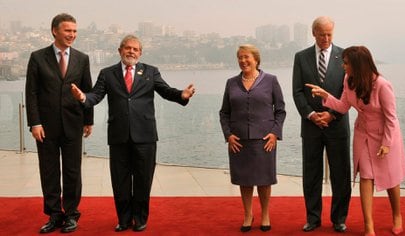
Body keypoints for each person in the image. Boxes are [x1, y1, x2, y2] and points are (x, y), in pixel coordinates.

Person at [70, 34, 195, 232]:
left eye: (135, 49)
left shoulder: (150, 72)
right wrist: (83, 97)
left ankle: (140, 218)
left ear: (141, 53)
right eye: (127, 48)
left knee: (143, 180)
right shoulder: (107, 73)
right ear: (120, 50)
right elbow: (96, 95)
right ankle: (124, 219)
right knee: (120, 181)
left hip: (145, 136)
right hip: (118, 136)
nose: (131, 52)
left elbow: (165, 90)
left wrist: (182, 95)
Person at [307, 46, 405, 236]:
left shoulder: (382, 85)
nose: (343, 66)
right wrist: (325, 96)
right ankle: (368, 226)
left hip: (385, 136)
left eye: (346, 63)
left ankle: (397, 215)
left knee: (391, 178)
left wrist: (387, 144)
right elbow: (343, 107)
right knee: (366, 177)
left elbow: (391, 118)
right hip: (362, 135)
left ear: (357, 64)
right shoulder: (348, 80)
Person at [25, 13, 93, 233]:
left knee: (73, 172)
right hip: (45, 127)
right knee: (49, 172)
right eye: (68, 30)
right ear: (55, 30)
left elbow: (87, 91)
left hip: (74, 124)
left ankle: (72, 215)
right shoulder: (37, 57)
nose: (72, 35)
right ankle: (54, 215)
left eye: (74, 31)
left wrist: (88, 120)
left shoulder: (82, 59)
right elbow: (31, 93)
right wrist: (34, 123)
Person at [292, 16, 351, 232]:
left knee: (341, 174)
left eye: (329, 34)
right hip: (311, 127)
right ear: (313, 32)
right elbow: (297, 91)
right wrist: (310, 115)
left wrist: (332, 114)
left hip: (338, 125)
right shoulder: (301, 57)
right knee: (312, 174)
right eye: (322, 34)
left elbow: (348, 92)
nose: (326, 38)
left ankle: (339, 219)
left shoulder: (345, 57)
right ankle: (313, 218)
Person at [219, 44, 286, 232]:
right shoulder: (231, 83)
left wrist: (275, 133)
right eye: (239, 57)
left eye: (246, 57)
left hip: (265, 141)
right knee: (244, 180)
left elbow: (280, 110)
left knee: (264, 181)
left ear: (256, 59)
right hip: (238, 141)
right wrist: (228, 135)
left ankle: (265, 214)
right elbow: (224, 113)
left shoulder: (271, 80)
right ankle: (248, 214)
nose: (243, 60)